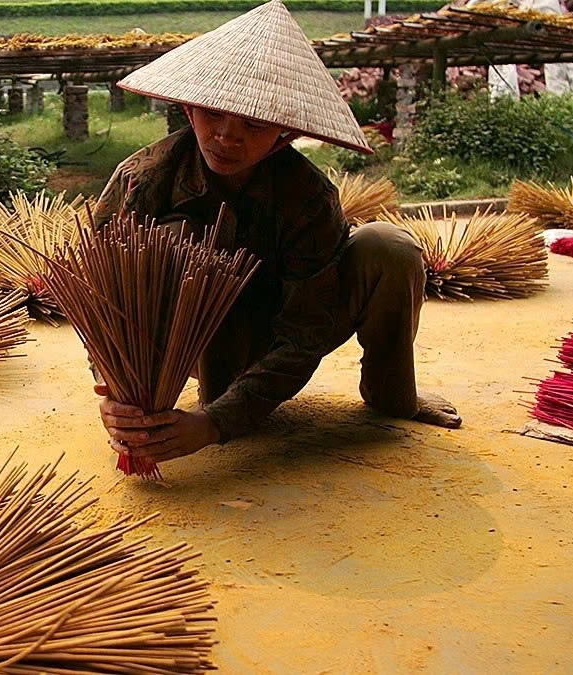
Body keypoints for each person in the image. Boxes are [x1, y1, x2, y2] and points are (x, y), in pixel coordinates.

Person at [91, 0, 461, 468]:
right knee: (171, 240)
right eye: (213, 115)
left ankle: (392, 394)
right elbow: (101, 296)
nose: (227, 136)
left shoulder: (308, 198)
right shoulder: (143, 180)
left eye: (254, 123)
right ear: (188, 110)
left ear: (284, 136)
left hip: (281, 319)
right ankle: (210, 388)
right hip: (189, 338)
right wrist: (115, 388)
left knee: (389, 247)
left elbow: (306, 330)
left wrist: (215, 423)